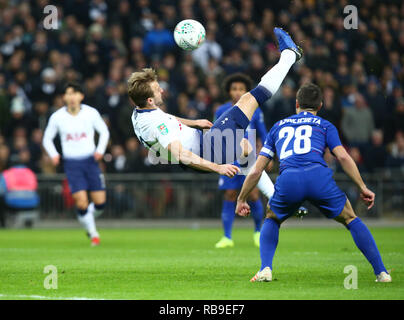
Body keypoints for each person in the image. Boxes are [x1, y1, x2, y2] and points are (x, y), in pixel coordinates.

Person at [236, 83, 392, 283]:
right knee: (351, 218)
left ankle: (266, 269)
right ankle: (381, 272)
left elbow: (257, 168)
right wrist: (362, 186)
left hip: (289, 178)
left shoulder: (278, 126)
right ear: (320, 105)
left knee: (272, 217)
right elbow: (343, 157)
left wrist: (242, 198)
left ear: (297, 103)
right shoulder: (325, 125)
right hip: (318, 176)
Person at [129, 28, 302, 203]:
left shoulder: (140, 112)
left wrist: (195, 122)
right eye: (158, 90)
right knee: (249, 99)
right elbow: (182, 155)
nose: (162, 90)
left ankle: (278, 199)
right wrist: (217, 168)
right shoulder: (156, 125)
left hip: (202, 144)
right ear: (150, 100)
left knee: (244, 148)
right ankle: (290, 55)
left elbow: (167, 119)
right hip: (206, 151)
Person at [42, 82, 110, 246]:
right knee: (81, 201)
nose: (71, 97)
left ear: (81, 96)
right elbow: (47, 138)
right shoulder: (57, 117)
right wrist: (54, 155)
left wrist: (100, 150)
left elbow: (104, 132)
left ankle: (85, 218)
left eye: (74, 93)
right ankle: (93, 234)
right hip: (72, 164)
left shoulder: (91, 113)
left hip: (90, 161)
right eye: (68, 94)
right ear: (64, 97)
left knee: (100, 204)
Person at [214, 73, 267, 248]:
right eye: (234, 89)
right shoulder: (221, 110)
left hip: (249, 158)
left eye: (241, 89)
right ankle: (227, 237)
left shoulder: (255, 109)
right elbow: (214, 135)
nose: (237, 92)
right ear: (229, 91)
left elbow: (263, 134)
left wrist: (268, 155)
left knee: (253, 194)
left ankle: (258, 233)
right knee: (230, 194)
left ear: (246, 91)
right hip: (229, 158)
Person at [0, 161, 40, 228]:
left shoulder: (7, 173)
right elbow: (35, 186)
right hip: (31, 200)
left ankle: (3, 223)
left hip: (12, 201)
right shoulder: (30, 173)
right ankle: (28, 222)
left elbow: (2, 190)